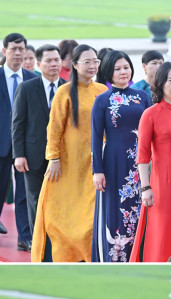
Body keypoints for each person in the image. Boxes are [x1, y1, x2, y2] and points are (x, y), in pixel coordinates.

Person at [32, 44, 106, 262]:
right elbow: (53, 128)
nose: (92, 66)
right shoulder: (64, 92)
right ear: (74, 65)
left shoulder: (102, 91)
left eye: (96, 61)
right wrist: (53, 158)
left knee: (89, 214)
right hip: (68, 163)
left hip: (94, 163)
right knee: (62, 213)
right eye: (87, 62)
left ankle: (89, 255)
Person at [131, 61, 171, 262]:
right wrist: (145, 188)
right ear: (160, 83)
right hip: (162, 184)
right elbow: (142, 156)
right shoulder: (151, 114)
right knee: (163, 231)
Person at [90, 50, 151, 262]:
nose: (123, 72)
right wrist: (97, 170)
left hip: (141, 163)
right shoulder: (102, 100)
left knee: (140, 207)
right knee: (115, 209)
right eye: (117, 69)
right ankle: (115, 257)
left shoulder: (143, 97)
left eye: (126, 67)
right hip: (114, 162)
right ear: (108, 72)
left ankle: (139, 254)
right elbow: (96, 138)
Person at [12, 44, 64, 236]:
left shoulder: (68, 88)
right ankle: (37, 242)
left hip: (62, 158)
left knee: (59, 200)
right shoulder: (26, 88)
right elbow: (18, 124)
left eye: (56, 60)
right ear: (39, 63)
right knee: (35, 199)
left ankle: (57, 241)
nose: (53, 64)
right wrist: (19, 155)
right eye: (48, 61)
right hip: (32, 156)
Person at [1, 33, 37, 243]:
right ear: (5, 51)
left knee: (25, 193)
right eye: (13, 49)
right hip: (1, 143)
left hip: (25, 146)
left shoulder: (33, 80)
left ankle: (26, 236)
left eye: (21, 49)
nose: (17, 53)